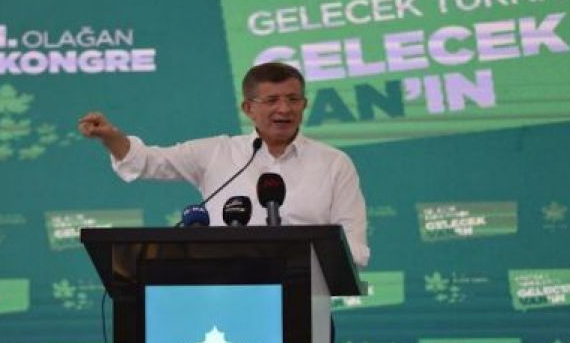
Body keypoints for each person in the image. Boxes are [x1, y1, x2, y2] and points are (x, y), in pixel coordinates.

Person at [78, 62, 369, 268]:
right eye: (272, 100)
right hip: (226, 298)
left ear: (304, 105)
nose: (284, 108)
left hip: (306, 301)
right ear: (248, 108)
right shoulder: (217, 152)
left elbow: (354, 247)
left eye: (293, 99)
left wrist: (310, 260)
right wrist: (111, 137)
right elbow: (148, 162)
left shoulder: (334, 163)